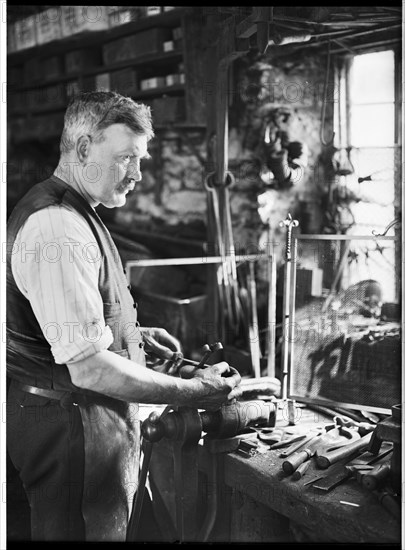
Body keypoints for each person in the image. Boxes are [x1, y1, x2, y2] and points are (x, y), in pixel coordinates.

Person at [6, 91, 241, 542]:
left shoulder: (75, 210)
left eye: (141, 158)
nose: (137, 174)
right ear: (82, 149)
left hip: (82, 420)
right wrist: (196, 391)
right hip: (71, 429)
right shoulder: (57, 226)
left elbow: (65, 324)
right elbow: (89, 368)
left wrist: (127, 333)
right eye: (126, 158)